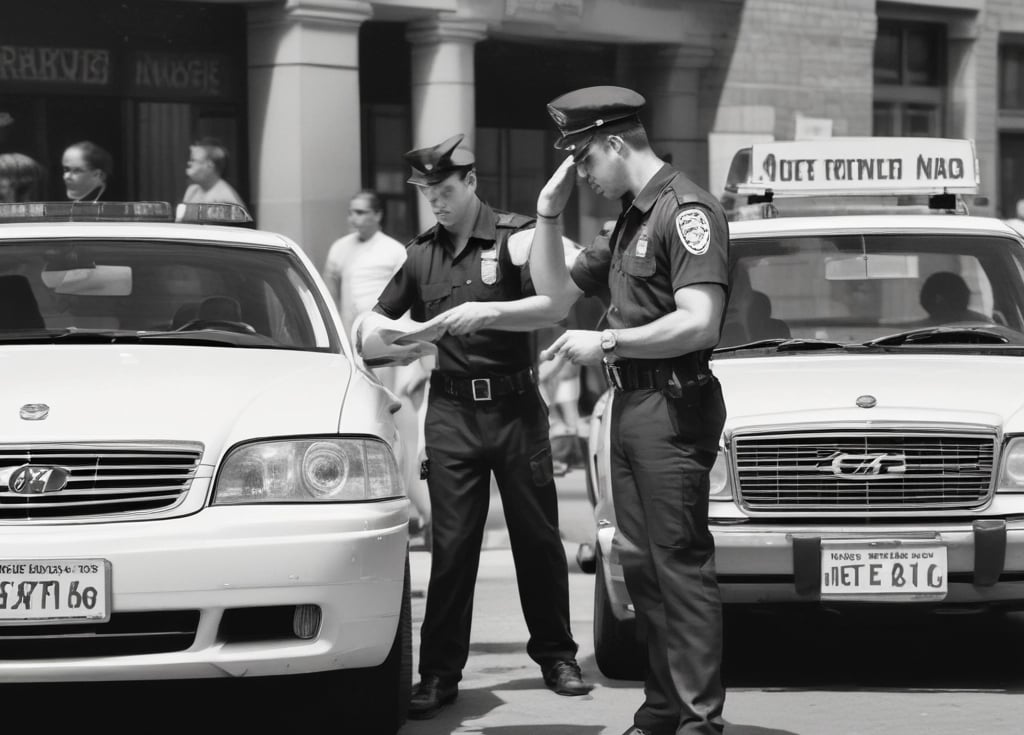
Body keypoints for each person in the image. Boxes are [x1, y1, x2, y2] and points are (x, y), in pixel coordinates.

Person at [529, 86, 730, 735]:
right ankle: (662, 707)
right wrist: (547, 215)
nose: (581, 174)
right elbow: (556, 292)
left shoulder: (685, 209)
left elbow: (700, 321)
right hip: (631, 403)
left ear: (615, 143)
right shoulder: (626, 219)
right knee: (641, 564)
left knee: (679, 563)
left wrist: (608, 340)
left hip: (673, 402)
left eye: (584, 158)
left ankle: (700, 720)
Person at [368, 133, 588, 719]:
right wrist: (402, 343)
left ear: (470, 183)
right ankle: (439, 673)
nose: (435, 202)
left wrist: (488, 311)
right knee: (453, 546)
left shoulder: (517, 238)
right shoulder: (421, 255)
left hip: (516, 409)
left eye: (443, 190)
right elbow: (372, 328)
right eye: (426, 193)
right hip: (451, 415)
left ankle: (558, 656)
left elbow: (560, 295)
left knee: (538, 540)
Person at [322, 189, 431, 536]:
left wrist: (411, 355)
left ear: (377, 215)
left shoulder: (393, 250)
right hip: (354, 354)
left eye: (361, 212)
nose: (354, 218)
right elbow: (330, 290)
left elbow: (410, 299)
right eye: (351, 212)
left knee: (406, 439)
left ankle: (429, 515)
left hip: (394, 354)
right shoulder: (340, 248)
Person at [182, 137, 246, 208]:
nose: (189, 163)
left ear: (209, 165)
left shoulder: (225, 200)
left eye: (194, 160)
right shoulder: (192, 191)